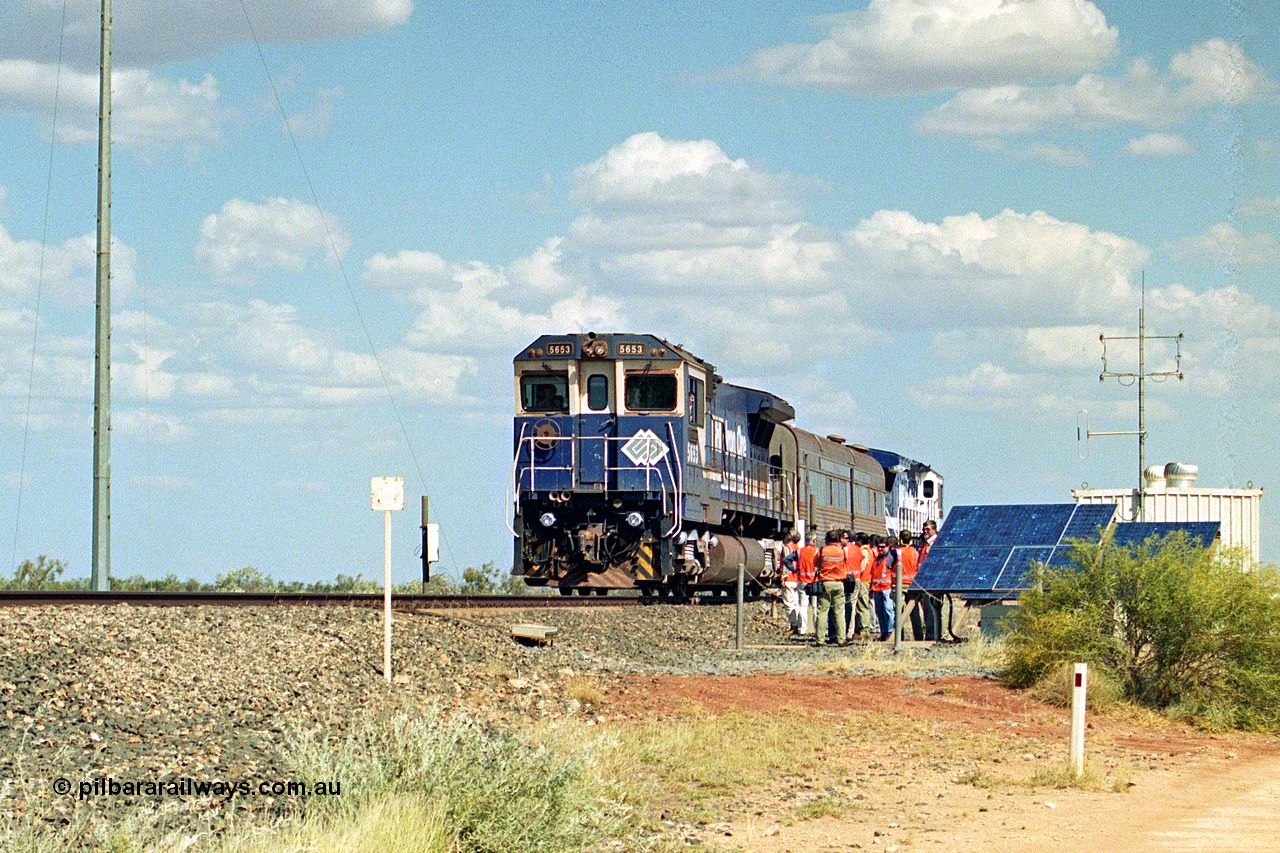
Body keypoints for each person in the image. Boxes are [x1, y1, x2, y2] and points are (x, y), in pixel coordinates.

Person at [814, 530, 849, 646]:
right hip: (839, 583)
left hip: (825, 583)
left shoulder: (822, 551)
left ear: (827, 539)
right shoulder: (842, 551)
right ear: (838, 539)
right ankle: (841, 639)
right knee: (839, 613)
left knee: (822, 612)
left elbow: (815, 563)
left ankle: (820, 640)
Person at [916, 519, 943, 641]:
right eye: (924, 529)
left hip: (932, 581)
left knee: (932, 609)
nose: (925, 531)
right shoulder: (926, 545)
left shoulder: (935, 544)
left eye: (928, 529)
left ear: (934, 529)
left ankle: (934, 635)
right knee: (927, 610)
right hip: (924, 581)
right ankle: (931, 634)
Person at [870, 535, 898, 642]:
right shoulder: (876, 558)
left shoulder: (890, 558)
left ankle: (890, 632)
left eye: (883, 547)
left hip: (886, 588)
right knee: (879, 612)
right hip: (876, 589)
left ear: (888, 547)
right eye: (879, 547)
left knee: (888, 610)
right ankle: (883, 632)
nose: (880, 549)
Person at [897, 530, 922, 641]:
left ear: (900, 539)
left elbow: (888, 564)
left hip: (900, 585)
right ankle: (919, 637)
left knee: (899, 612)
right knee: (914, 613)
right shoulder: (915, 552)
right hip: (912, 585)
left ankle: (899, 637)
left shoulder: (897, 552)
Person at [851, 532, 875, 639]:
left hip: (864, 580)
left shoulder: (864, 551)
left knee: (862, 605)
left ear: (860, 541)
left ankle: (864, 629)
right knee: (862, 604)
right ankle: (862, 628)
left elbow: (861, 567)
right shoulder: (868, 550)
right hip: (865, 580)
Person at [795, 534, 820, 637]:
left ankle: (802, 629)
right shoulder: (817, 551)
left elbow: (794, 565)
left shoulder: (799, 551)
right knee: (815, 606)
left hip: (802, 581)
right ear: (814, 541)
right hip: (814, 581)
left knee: (803, 605)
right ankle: (816, 628)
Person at [780, 533, 802, 635]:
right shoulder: (799, 548)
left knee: (789, 603)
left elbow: (785, 563)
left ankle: (794, 625)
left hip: (789, 578)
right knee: (796, 603)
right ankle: (799, 624)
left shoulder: (786, 548)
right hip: (797, 578)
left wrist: (783, 577)